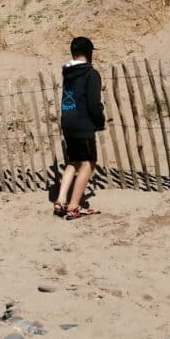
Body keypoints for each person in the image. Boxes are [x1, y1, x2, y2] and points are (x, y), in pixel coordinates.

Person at [54, 36, 105, 220]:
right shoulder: (91, 74)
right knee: (88, 163)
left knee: (74, 161)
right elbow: (93, 103)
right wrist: (100, 121)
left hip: (68, 120)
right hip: (83, 123)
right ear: (89, 53)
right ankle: (74, 206)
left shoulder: (68, 73)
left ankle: (61, 200)